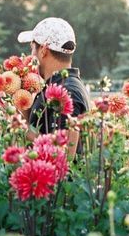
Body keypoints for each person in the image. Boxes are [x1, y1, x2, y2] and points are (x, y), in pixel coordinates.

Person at [17, 18, 90, 158]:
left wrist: (18, 127)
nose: (31, 55)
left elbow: (64, 154)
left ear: (43, 50)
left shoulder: (67, 91)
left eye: (32, 48)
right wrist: (21, 102)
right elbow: (42, 131)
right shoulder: (60, 85)